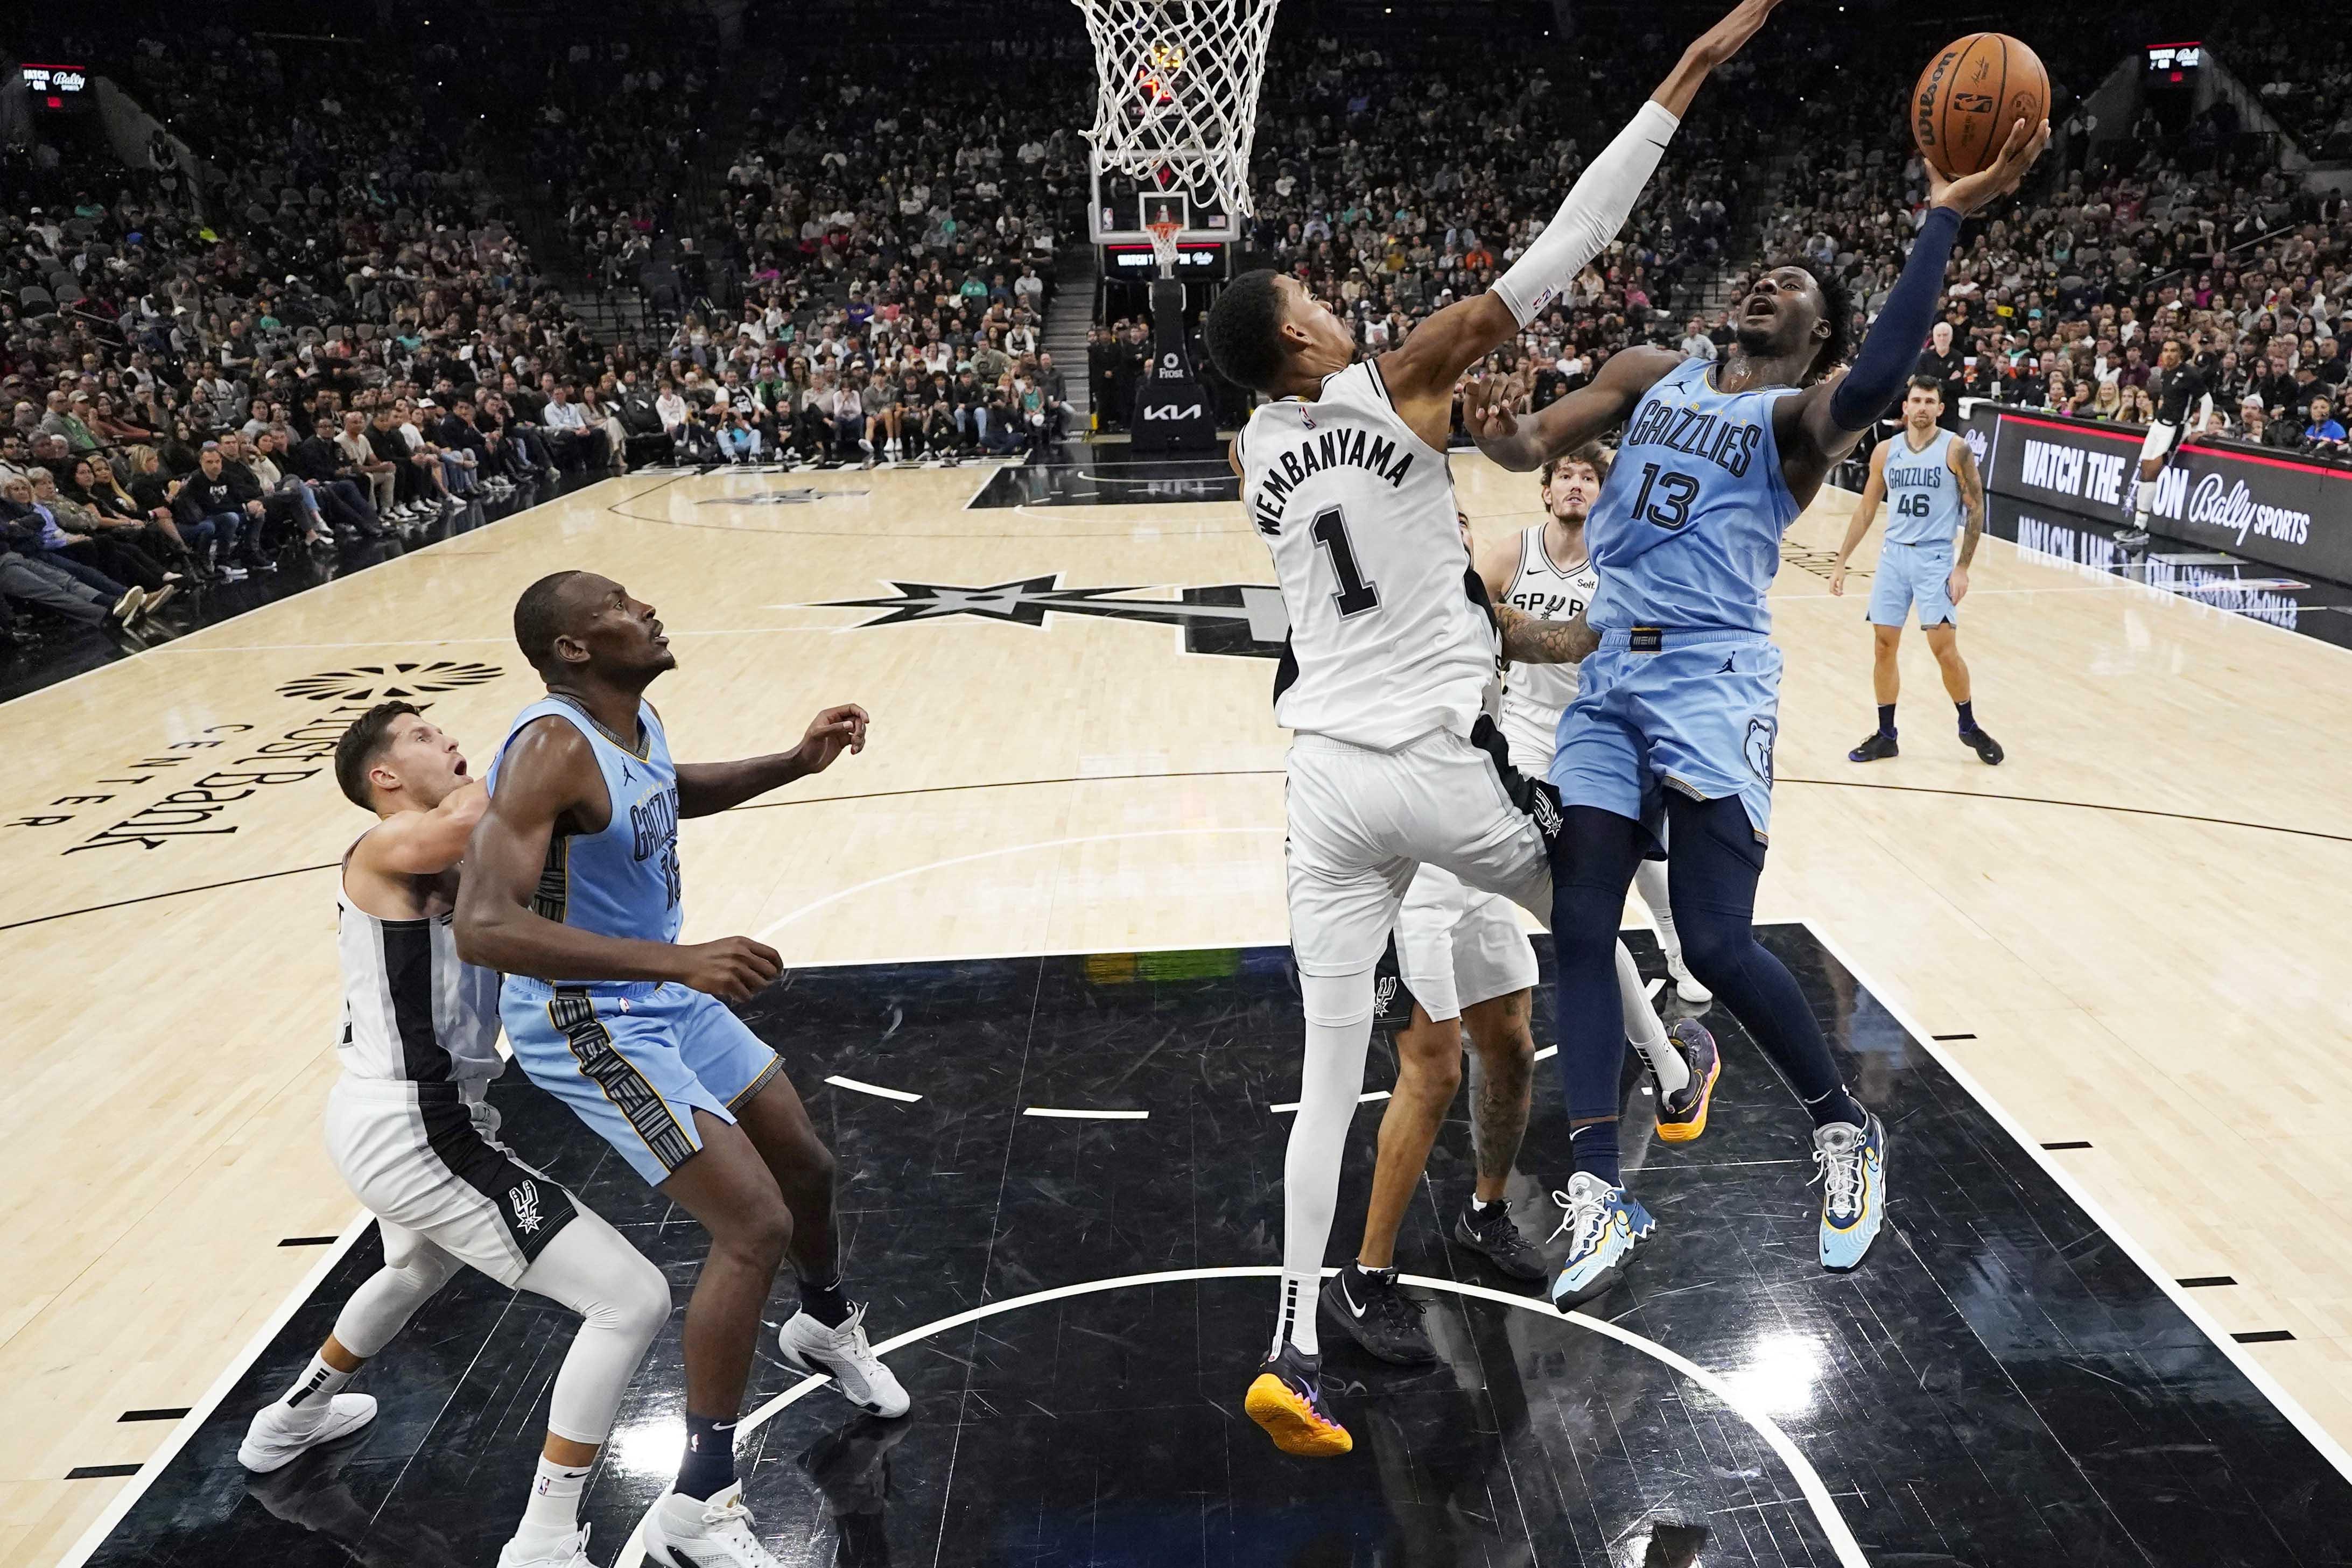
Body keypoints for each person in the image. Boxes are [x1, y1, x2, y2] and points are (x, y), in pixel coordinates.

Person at [1200, 0, 1783, 1459]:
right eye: (1317, 296)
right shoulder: (1390, 382)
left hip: (1318, 791)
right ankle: (1669, 1066)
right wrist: (1685, 73)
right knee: (1596, 884)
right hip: (1431, 773)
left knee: (1335, 1077)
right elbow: (1557, 255)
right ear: (1296, 333)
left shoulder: (1254, 449)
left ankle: (1291, 1346)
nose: (1338, 300)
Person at [1462, 110, 2048, 1308]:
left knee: (1720, 944)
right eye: (1757, 274)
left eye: (1787, 286)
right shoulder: (1648, 372)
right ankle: (1596, 1189)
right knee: (1580, 921)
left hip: (1713, 681)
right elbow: (1531, 443)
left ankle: (1841, 1128)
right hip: (1609, 680)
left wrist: (1941, 217)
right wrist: (1501, 431)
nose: (1760, 287)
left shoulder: (1797, 426)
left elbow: (1881, 380)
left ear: (1816, 332)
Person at [456, 572, 907, 1565]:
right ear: (573, 648)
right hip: (587, 1016)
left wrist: (794, 760)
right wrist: (677, 958)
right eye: (620, 603)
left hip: (658, 992)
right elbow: (482, 924)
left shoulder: (631, 715)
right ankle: (697, 1501)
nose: (648, 607)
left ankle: (825, 1325)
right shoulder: (548, 745)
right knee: (752, 1222)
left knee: (807, 1167)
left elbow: (667, 792)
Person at [240, 704, 670, 1568]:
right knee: (633, 1300)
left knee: (415, 1267)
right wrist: (551, 741)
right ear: (384, 779)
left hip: (399, 1111)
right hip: (415, 1125)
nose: (447, 739)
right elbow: (488, 811)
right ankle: (545, 1539)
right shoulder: (385, 846)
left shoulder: (444, 847)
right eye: (423, 736)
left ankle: (286, 1423)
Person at [1318, 502, 1718, 1370]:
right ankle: (1363, 1277)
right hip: (1402, 872)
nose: (1451, 543)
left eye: (1458, 532)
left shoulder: (1479, 612)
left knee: (1508, 1039)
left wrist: (1648, 604)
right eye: (1435, 531)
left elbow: (1562, 644)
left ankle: (1485, 1210)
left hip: (1469, 853)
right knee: (1431, 1067)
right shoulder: (1380, 624)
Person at [1499, 448, 1713, 1007]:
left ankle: (1677, 951)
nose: (1575, 485)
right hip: (1523, 724)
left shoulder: (1624, 560)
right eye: (1564, 475)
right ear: (1545, 490)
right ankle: (1502, 954)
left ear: (1602, 493)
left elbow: (1660, 636)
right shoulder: (1510, 554)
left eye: (1587, 477)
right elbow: (1466, 615)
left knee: (1638, 855)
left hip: (1601, 726)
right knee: (1508, 846)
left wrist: (1604, 638)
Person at [1830, 378, 2003, 766]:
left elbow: (1975, 507)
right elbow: (1865, 509)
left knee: (1943, 649)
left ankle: (1967, 724)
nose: (1922, 407)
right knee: (1882, 646)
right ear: (1904, 407)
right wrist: (1841, 560)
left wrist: (1962, 567)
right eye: (1916, 400)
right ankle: (1886, 735)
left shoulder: (1955, 449)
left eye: (1929, 401)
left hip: (1934, 559)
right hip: (1893, 557)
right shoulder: (1884, 451)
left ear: (1940, 408)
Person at [2116, 337, 2210, 546]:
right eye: (2165, 350)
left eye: (2173, 351)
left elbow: (2207, 400)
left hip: (2175, 428)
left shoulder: (2189, 374)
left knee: (2152, 471)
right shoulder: (2164, 373)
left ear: (2180, 354)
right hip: (2159, 425)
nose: (2168, 354)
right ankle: (2138, 525)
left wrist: (2200, 428)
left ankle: (2142, 527)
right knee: (2144, 470)